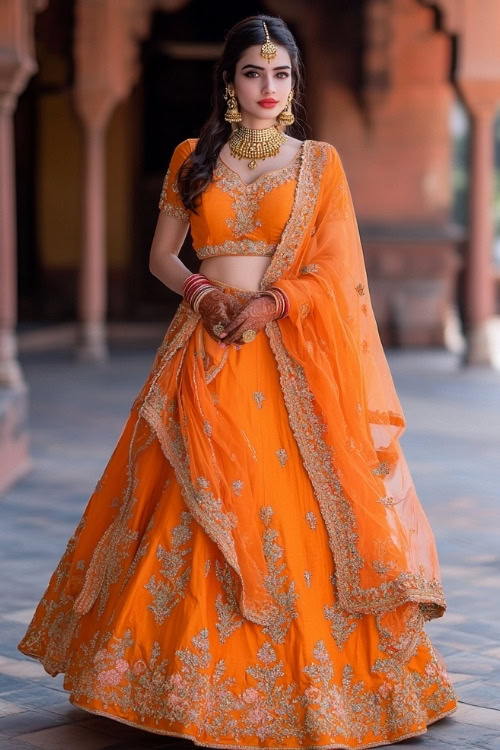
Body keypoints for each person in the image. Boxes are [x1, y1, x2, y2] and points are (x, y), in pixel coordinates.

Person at [17, 14, 458, 749]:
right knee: (180, 505)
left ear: (293, 85)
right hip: (203, 348)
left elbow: (337, 272)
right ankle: (164, 683)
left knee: (292, 514)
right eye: (253, 73)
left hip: (285, 355)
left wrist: (272, 302)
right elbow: (163, 255)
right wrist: (205, 296)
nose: (266, 87)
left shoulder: (319, 163)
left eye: (280, 74)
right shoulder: (193, 157)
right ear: (229, 82)